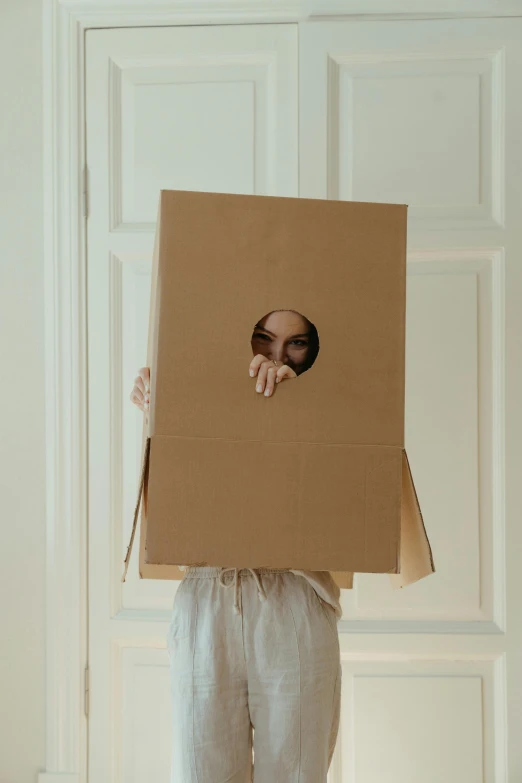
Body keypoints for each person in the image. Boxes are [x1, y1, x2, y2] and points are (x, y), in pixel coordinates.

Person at [130, 309, 342, 783]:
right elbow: (173, 502)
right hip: (207, 599)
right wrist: (156, 412)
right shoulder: (202, 390)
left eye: (297, 343)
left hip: (295, 597)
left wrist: (301, 408)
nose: (276, 355)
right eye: (263, 338)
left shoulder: (334, 407)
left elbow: (344, 504)